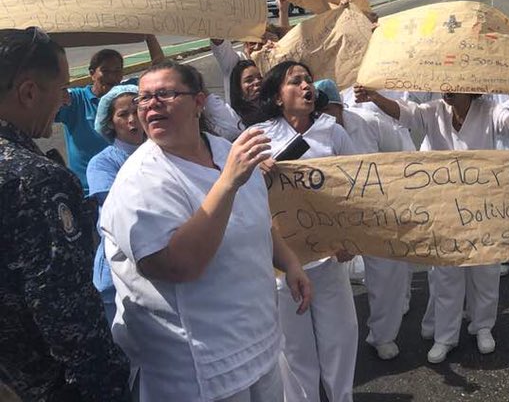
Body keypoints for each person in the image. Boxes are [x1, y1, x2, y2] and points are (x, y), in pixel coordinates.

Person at [101, 60, 312, 402]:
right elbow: (178, 265)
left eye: (166, 94)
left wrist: (290, 263)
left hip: (259, 343)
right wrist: (227, 183)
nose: (152, 104)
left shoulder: (226, 151)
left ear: (199, 102)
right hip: (198, 369)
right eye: (144, 98)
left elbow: (255, 217)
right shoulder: (140, 181)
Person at [354, 82, 509, 363]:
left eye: (455, 86)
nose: (447, 91)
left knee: (485, 271)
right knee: (446, 274)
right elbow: (405, 114)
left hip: (482, 207)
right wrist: (374, 97)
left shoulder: (489, 110)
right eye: (445, 86)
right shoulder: (434, 110)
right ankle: (445, 336)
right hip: (444, 208)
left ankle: (482, 326)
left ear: (471, 87)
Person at [0, 27, 130, 402]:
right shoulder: (36, 181)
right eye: (60, 91)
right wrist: (110, 385)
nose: (62, 102)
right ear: (28, 92)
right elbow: (67, 313)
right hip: (40, 384)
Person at [253, 62, 363, 401]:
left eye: (308, 80)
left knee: (340, 339)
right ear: (276, 97)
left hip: (328, 258)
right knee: (295, 351)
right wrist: (253, 171)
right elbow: (238, 194)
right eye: (295, 81)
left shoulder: (333, 132)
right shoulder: (259, 137)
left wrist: (349, 239)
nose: (306, 86)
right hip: (281, 265)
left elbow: (355, 188)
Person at [315, 79, 414, 359]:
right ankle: (330, 341)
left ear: (338, 105)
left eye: (327, 110)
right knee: (328, 276)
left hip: (377, 207)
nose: (323, 117)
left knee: (387, 274)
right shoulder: (312, 133)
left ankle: (382, 335)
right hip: (334, 213)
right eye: (317, 112)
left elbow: (402, 154)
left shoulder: (368, 120)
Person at [56, 37, 163, 191]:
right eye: (105, 71)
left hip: (137, 185)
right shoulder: (75, 101)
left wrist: (149, 36)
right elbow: (45, 102)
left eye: (117, 71)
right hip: (88, 192)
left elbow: (159, 72)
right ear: (92, 74)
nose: (112, 77)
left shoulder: (129, 92)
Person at [87, 83, 146, 325]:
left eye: (136, 111)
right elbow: (119, 209)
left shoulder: (163, 152)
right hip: (116, 274)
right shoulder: (102, 164)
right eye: (123, 115)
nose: (132, 120)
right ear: (109, 122)